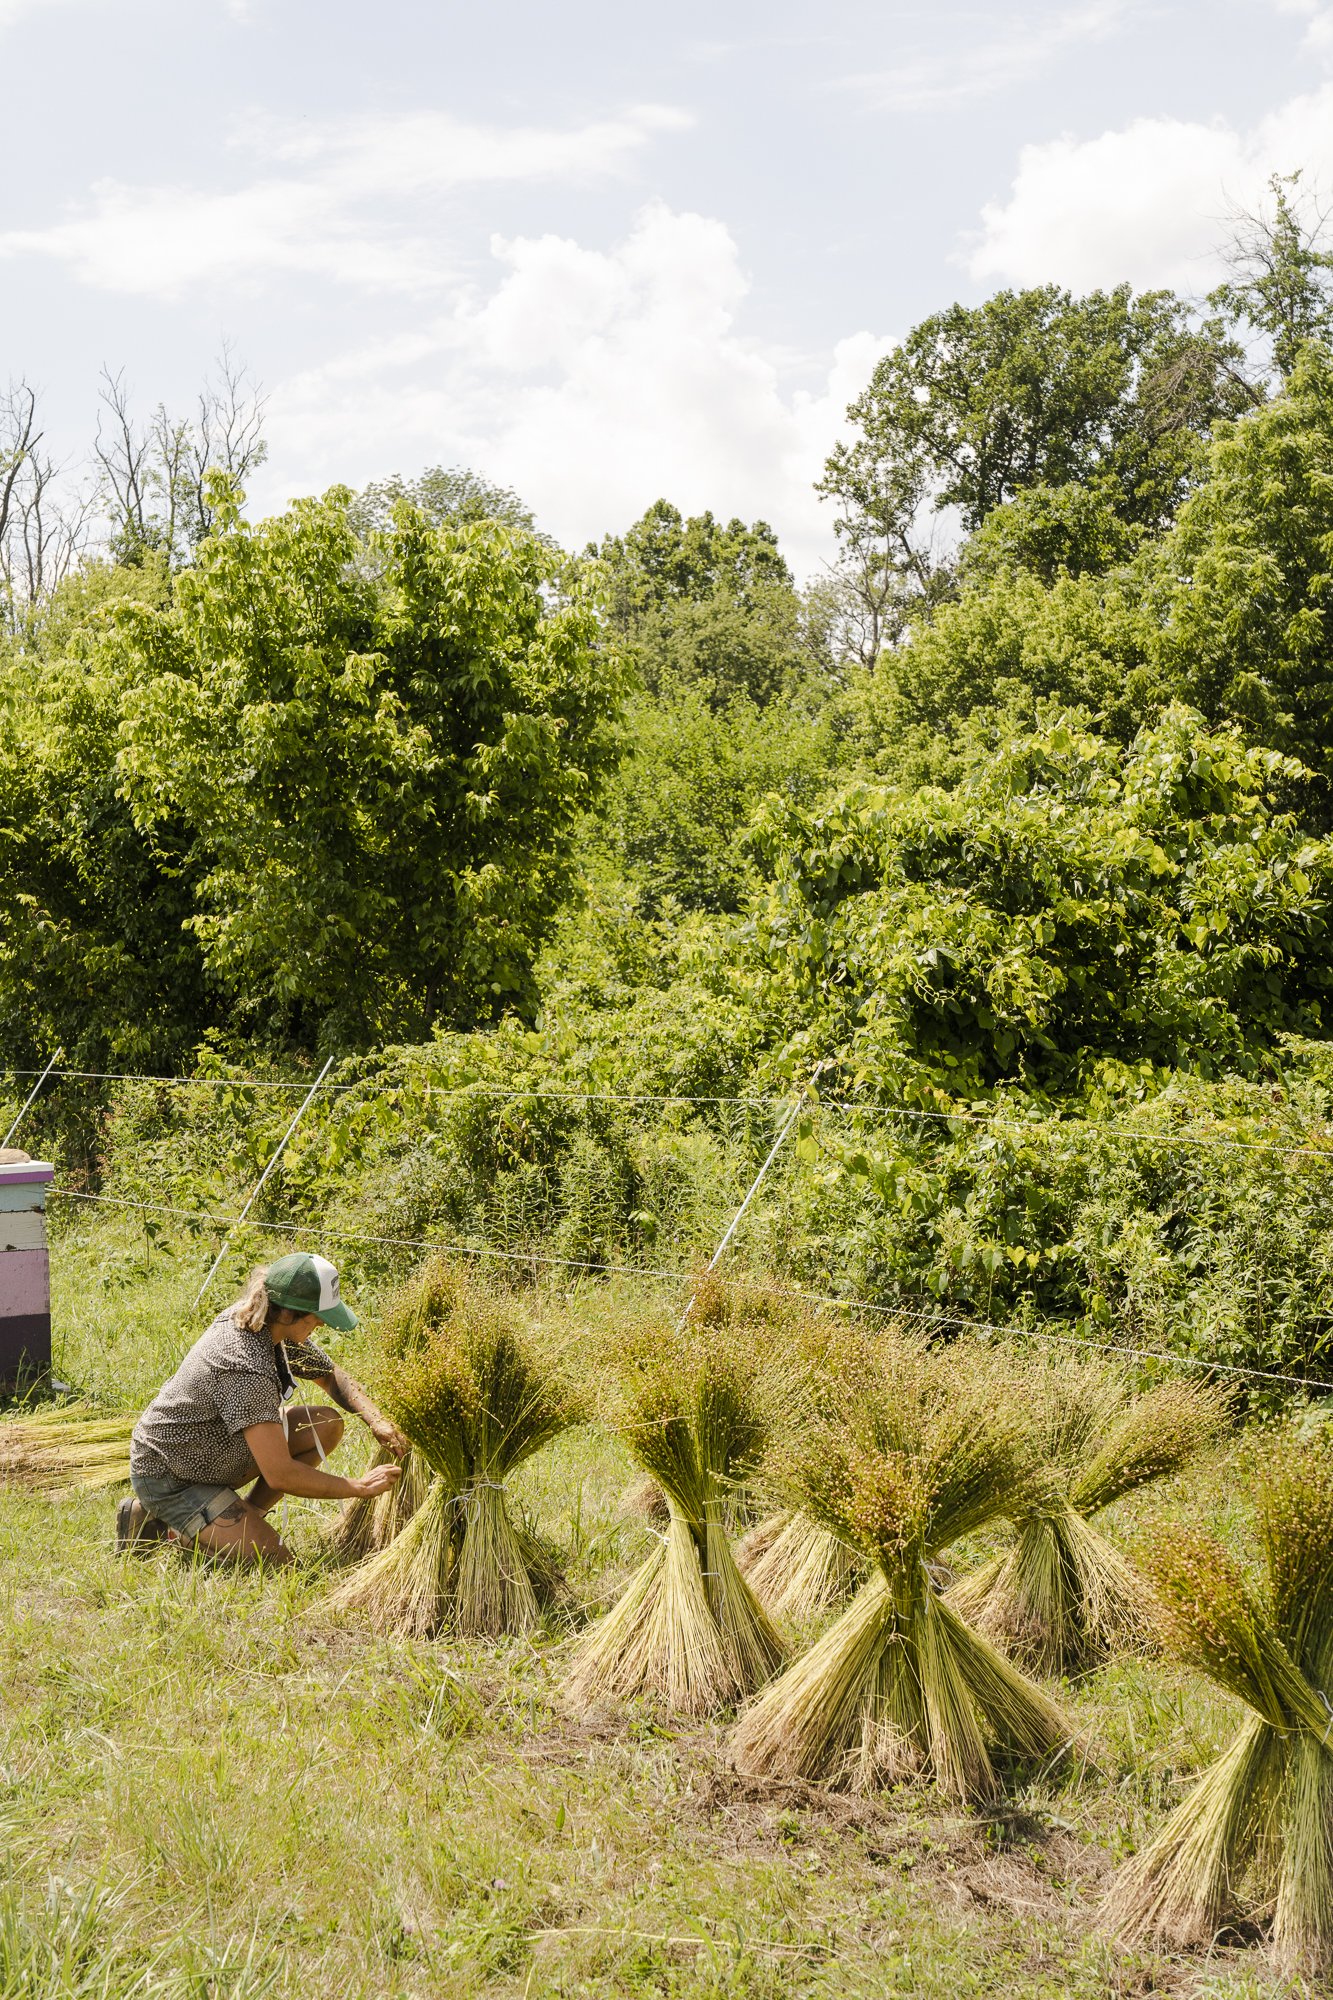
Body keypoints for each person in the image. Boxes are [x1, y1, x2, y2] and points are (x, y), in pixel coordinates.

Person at [117, 1251, 407, 1564]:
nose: (322, 1323)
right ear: (289, 1313)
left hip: (217, 1450)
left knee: (324, 1425)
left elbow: (330, 1375)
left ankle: (246, 1514)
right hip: (173, 1476)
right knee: (276, 1559)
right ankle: (165, 1524)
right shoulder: (244, 1366)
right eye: (317, 1315)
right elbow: (281, 1474)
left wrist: (375, 1419)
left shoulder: (268, 1324)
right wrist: (359, 1487)